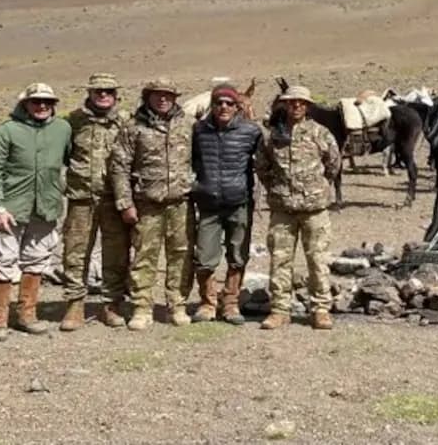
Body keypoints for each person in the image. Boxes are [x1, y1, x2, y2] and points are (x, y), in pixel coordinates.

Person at [0, 83, 72, 342]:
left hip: (46, 209)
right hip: (11, 209)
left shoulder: (62, 129)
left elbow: (72, 161)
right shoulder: (7, 132)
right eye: (36, 101)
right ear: (25, 103)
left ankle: (27, 315)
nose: (42, 106)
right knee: (2, 261)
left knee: (37, 260)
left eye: (48, 102)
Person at [109, 77, 195, 330]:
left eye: (168, 95)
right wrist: (125, 203)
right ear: (147, 97)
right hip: (147, 203)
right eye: (157, 94)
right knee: (145, 256)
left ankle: (176, 305)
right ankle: (142, 307)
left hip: (181, 202)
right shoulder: (133, 127)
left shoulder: (188, 125)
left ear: (175, 98)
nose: (162, 99)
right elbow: (120, 166)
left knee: (181, 255)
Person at [255, 85, 342, 330]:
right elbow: (262, 167)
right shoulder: (274, 135)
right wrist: (278, 189)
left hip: (315, 209)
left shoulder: (320, 133)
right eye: (291, 102)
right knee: (280, 261)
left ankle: (321, 309)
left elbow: (333, 164)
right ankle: (280, 309)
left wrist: (319, 187)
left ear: (307, 106)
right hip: (283, 209)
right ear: (284, 104)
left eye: (301, 102)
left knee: (317, 260)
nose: (296, 106)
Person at [59, 72, 130, 331]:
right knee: (75, 252)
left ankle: (111, 305)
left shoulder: (125, 122)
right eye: (98, 91)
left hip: (114, 200)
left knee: (116, 254)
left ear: (116, 95)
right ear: (89, 93)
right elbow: (64, 156)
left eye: (108, 91)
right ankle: (75, 305)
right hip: (81, 200)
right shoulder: (72, 123)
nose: (103, 95)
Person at [190, 82, 262, 324]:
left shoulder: (251, 132)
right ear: (212, 104)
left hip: (238, 202)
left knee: (238, 254)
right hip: (208, 203)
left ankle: (231, 304)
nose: (224, 107)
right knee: (204, 255)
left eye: (229, 103)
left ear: (236, 106)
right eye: (219, 102)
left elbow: (264, 162)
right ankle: (208, 303)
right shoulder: (198, 131)